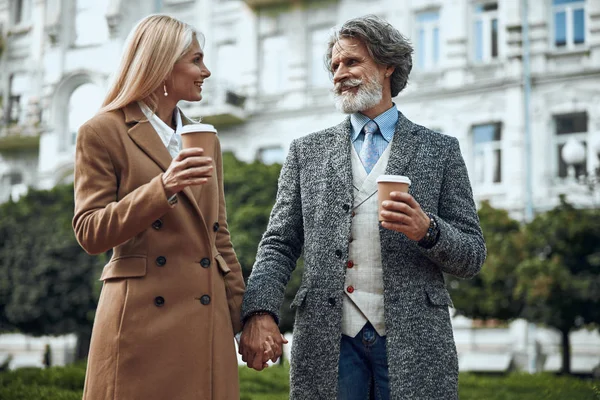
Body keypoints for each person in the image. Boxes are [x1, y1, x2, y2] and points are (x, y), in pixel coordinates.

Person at [239, 15, 486, 400]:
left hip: (415, 342)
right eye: (335, 66)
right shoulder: (306, 152)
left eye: (352, 62)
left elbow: (472, 256)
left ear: (388, 65)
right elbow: (278, 244)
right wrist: (259, 311)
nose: (339, 73)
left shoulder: (440, 151)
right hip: (328, 339)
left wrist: (428, 230)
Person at [72, 15, 245, 400]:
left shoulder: (205, 139)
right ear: (164, 64)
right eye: (197, 60)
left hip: (206, 323)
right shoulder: (101, 132)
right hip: (139, 325)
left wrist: (244, 321)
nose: (207, 71)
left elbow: (219, 238)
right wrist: (163, 186)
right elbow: (90, 231)